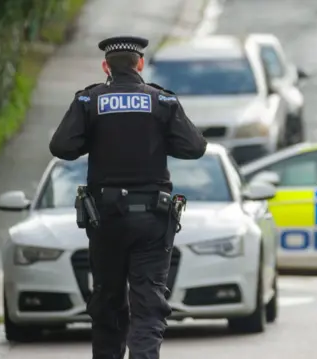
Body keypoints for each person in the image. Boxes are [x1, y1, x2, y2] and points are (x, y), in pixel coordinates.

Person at [48, 36, 206, 359]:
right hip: (152, 222)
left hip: (105, 221)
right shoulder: (162, 103)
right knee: (148, 308)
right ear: (141, 65)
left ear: (106, 66)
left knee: (108, 306)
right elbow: (195, 147)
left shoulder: (89, 102)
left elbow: (61, 146)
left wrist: (93, 135)